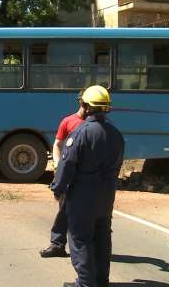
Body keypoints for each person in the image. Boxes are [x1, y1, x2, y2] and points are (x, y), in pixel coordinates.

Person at [50, 85, 124, 287]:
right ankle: (101, 281)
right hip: (106, 196)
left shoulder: (81, 133)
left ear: (85, 105)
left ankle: (85, 283)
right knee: (102, 239)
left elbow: (67, 165)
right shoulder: (116, 134)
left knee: (80, 240)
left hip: (82, 196)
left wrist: (58, 188)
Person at [40, 91, 85, 258]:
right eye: (83, 103)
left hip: (87, 176)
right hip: (69, 173)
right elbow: (57, 144)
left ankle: (86, 248)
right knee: (64, 210)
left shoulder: (96, 123)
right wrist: (57, 165)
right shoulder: (69, 121)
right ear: (80, 103)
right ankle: (57, 244)